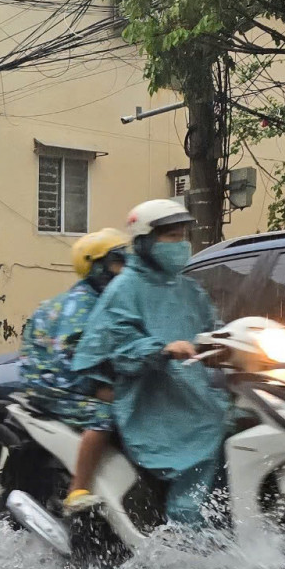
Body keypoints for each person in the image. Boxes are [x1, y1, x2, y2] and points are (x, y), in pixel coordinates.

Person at [71, 199, 233, 527]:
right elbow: (117, 345)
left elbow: (213, 330)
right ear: (145, 241)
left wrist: (233, 346)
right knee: (203, 444)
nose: (181, 245)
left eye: (183, 236)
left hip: (193, 390)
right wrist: (160, 349)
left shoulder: (188, 288)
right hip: (152, 399)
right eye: (171, 237)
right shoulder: (125, 289)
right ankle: (185, 529)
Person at [20, 228, 127, 514]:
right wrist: (101, 390)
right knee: (104, 414)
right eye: (117, 262)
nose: (123, 269)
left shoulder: (103, 299)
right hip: (54, 384)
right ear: (96, 266)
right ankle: (78, 490)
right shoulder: (84, 304)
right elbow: (75, 361)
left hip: (63, 379)